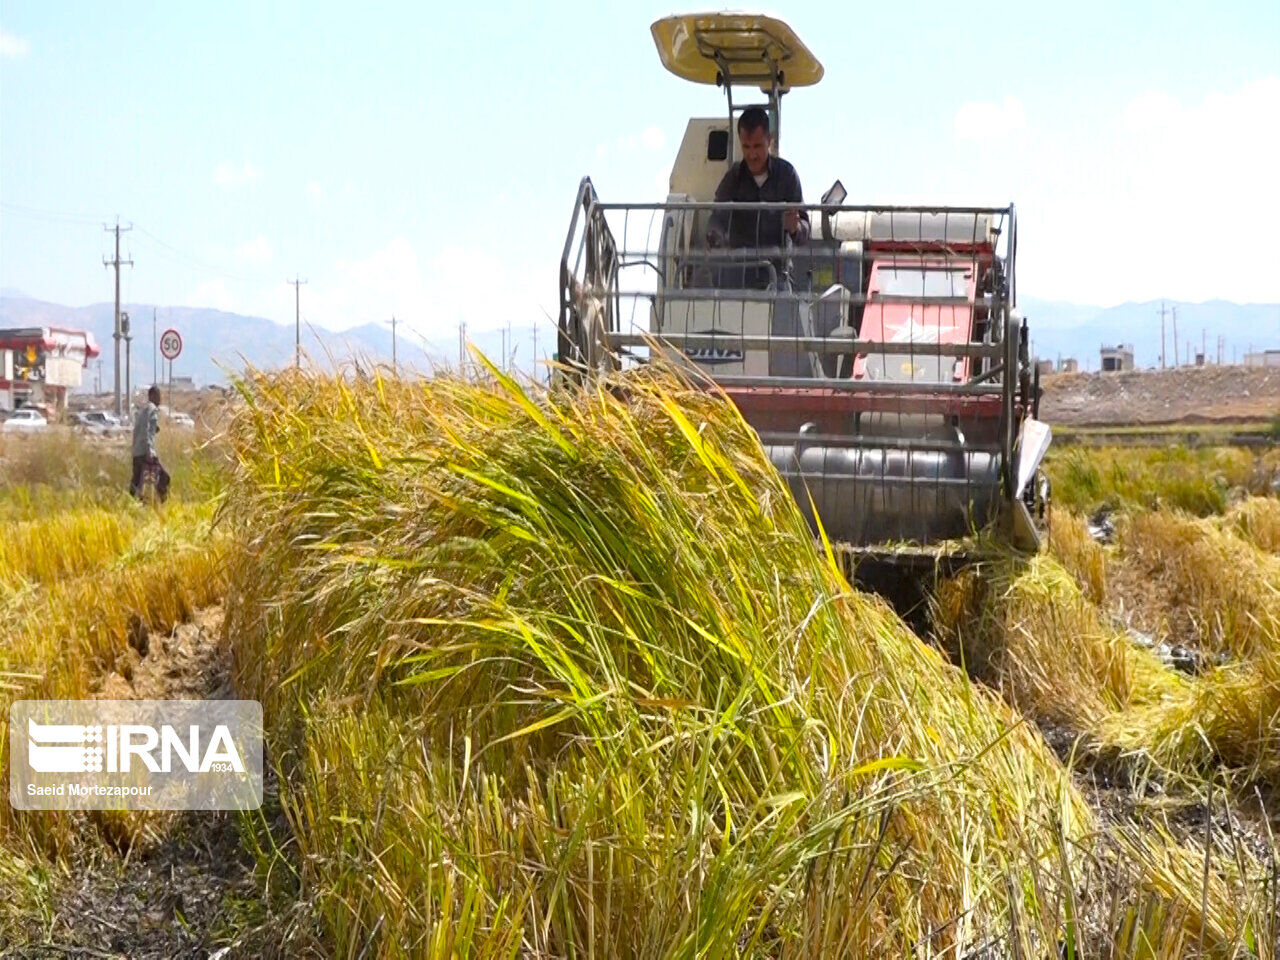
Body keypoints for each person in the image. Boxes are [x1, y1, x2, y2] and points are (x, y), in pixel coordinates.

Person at [706, 105, 808, 288]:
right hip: (739, 275)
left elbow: (804, 231)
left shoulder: (787, 175)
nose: (752, 154)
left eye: (758, 146)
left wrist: (795, 228)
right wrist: (715, 236)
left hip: (777, 275)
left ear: (769, 140)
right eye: (746, 147)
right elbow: (716, 219)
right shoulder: (733, 178)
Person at [129, 385, 170, 502]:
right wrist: (149, 450)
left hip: (137, 452)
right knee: (164, 477)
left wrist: (154, 428)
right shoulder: (152, 408)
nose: (160, 399)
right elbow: (146, 430)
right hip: (145, 451)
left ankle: (132, 503)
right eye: (158, 396)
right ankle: (161, 503)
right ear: (152, 396)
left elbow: (142, 428)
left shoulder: (143, 410)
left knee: (136, 482)